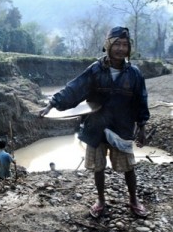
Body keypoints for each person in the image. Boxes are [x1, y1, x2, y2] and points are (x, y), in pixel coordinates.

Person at [39, 27, 150, 218]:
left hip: (121, 126)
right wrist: (52, 103)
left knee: (128, 167)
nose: (121, 49)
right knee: (98, 167)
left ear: (129, 48)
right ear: (108, 45)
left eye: (125, 45)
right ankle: (100, 200)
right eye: (117, 44)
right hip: (96, 126)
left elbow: (141, 100)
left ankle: (134, 200)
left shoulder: (135, 74)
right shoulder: (95, 70)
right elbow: (74, 88)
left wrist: (142, 127)